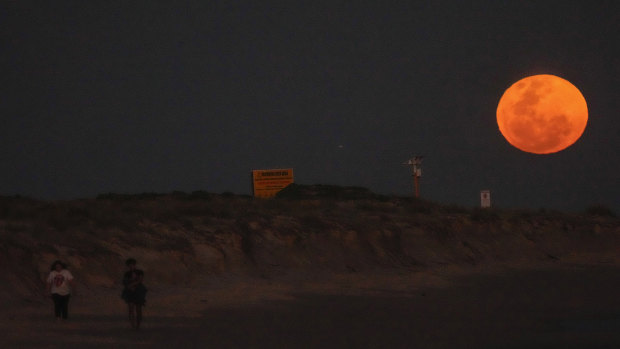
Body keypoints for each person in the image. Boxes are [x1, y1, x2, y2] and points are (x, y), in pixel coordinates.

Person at [122, 258, 147, 330]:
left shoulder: (139, 272)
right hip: (130, 291)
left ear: (134, 265)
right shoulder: (127, 273)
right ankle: (133, 325)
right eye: (129, 265)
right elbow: (125, 282)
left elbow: (140, 280)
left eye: (132, 265)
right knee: (131, 308)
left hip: (138, 291)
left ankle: (138, 326)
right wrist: (129, 285)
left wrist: (131, 284)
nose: (131, 266)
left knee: (138, 309)